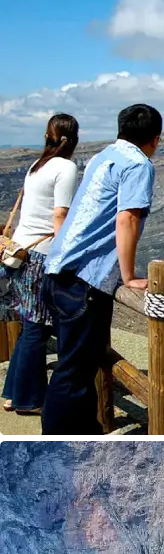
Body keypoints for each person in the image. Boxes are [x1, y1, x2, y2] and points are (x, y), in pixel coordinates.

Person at [41, 103, 162, 439]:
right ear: (155, 138)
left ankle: (86, 435)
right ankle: (54, 448)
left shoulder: (102, 156)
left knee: (73, 365)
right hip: (85, 278)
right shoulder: (139, 164)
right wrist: (128, 277)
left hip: (58, 271)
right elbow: (128, 218)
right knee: (74, 372)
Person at [1, 114, 79, 415]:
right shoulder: (66, 167)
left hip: (22, 251)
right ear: (73, 138)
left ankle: (13, 392)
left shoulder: (37, 166)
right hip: (42, 254)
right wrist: (64, 255)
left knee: (30, 325)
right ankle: (27, 399)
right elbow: (60, 214)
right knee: (38, 328)